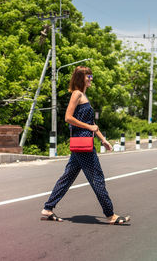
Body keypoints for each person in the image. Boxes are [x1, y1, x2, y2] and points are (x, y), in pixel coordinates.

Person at [41, 66, 130, 225]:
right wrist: (89, 128)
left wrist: (103, 139)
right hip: (83, 143)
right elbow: (68, 118)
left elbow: (92, 123)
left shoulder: (84, 96)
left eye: (91, 76)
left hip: (82, 143)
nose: (90, 79)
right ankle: (110, 215)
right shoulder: (77, 94)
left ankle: (48, 209)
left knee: (67, 177)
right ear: (80, 78)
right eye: (88, 76)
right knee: (97, 177)